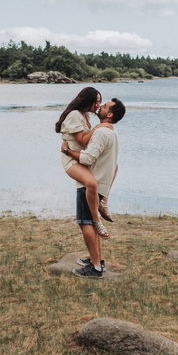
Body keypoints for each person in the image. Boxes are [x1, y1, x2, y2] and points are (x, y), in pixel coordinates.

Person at [61, 98, 124, 278]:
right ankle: (98, 259)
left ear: (109, 114)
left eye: (105, 106)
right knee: (92, 223)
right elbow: (115, 165)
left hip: (90, 183)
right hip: (101, 183)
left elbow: (88, 158)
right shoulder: (111, 131)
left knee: (86, 223)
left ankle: (95, 268)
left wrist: (67, 151)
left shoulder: (101, 132)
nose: (100, 106)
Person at [56, 87, 108, 237]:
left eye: (100, 102)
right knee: (91, 183)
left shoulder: (85, 115)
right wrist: (98, 128)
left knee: (112, 167)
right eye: (96, 102)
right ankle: (96, 220)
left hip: (81, 157)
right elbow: (81, 140)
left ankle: (103, 203)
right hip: (71, 159)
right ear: (87, 101)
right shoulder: (75, 115)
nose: (98, 105)